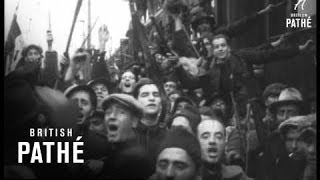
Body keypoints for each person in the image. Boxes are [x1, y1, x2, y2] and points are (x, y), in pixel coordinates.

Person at [97, 93, 153, 179]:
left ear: (134, 121)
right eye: (108, 112)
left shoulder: (135, 160)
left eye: (121, 113)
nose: (112, 116)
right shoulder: (115, 149)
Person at [133, 78, 167, 172]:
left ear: (160, 103)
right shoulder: (126, 134)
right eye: (145, 95)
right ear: (135, 101)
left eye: (156, 95)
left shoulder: (169, 136)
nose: (152, 98)